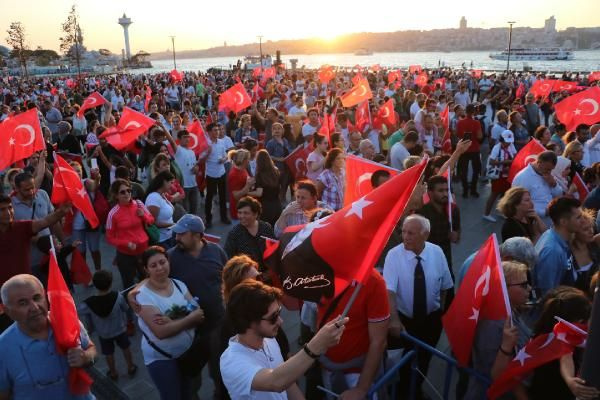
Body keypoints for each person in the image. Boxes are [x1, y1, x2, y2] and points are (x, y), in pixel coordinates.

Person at [220, 280, 348, 399]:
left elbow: (287, 382)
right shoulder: (231, 362)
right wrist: (317, 344)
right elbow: (276, 382)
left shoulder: (268, 340)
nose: (280, 321)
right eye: (273, 317)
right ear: (248, 322)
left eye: (279, 312)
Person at [383, 215, 453, 398]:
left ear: (425, 235)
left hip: (431, 320)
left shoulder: (436, 252)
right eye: (403, 231)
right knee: (403, 361)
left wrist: (440, 314)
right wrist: (395, 320)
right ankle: (402, 392)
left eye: (411, 233)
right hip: (404, 322)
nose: (405, 236)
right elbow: (389, 291)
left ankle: (416, 388)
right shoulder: (394, 255)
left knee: (424, 359)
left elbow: (446, 285)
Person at [0, 274, 97, 399]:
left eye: (37, 298)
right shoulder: (3, 349)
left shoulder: (67, 321)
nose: (34, 307)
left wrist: (86, 357)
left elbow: (91, 348)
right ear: (8, 311)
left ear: (45, 297)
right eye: (23, 303)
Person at [134, 246, 205, 399]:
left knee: (189, 393)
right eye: (153, 265)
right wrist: (189, 317)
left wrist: (173, 320)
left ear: (168, 261)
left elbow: (199, 314)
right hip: (162, 359)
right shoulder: (142, 296)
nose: (160, 268)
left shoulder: (179, 284)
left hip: (188, 353)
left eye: (162, 262)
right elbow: (161, 332)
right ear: (146, 269)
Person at [317, 269, 390, 400]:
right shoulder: (319, 270)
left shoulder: (374, 281)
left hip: (357, 372)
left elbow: (379, 341)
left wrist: (361, 388)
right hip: (327, 366)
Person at [465, 261, 533, 399]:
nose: (530, 288)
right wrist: (506, 347)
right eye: (524, 285)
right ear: (503, 288)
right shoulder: (491, 324)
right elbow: (493, 374)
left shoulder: (511, 310)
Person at [528, 286, 598, 400]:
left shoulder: (546, 336)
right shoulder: (563, 336)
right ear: (580, 321)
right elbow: (566, 356)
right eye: (592, 315)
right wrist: (570, 380)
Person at [79, 270, 137, 381]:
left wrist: (90, 329)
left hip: (103, 334)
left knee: (108, 353)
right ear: (110, 283)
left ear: (95, 285)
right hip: (120, 329)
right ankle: (130, 366)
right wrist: (130, 320)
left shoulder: (88, 303)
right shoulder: (118, 296)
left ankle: (113, 372)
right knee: (126, 348)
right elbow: (125, 308)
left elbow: (85, 315)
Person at [11, 172, 65, 278]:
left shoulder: (42, 194)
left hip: (52, 253)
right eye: (26, 190)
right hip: (31, 260)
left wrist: (62, 242)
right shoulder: (10, 205)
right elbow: (20, 232)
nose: (31, 192)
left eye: (33, 187)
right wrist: (46, 242)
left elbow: (53, 221)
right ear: (16, 189)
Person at [106, 179, 154, 290]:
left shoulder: (139, 204)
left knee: (147, 279)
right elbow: (109, 237)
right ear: (116, 195)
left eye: (129, 190)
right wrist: (126, 243)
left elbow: (151, 220)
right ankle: (131, 305)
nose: (127, 193)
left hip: (143, 250)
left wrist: (144, 216)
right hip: (125, 255)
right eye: (122, 192)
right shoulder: (113, 213)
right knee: (129, 285)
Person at [534, 197, 583, 297]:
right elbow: (547, 294)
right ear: (563, 222)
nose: (582, 221)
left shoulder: (561, 237)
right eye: (578, 217)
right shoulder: (552, 251)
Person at [417, 175, 461, 273]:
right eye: (440, 191)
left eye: (446, 190)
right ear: (430, 193)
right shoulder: (422, 214)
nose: (445, 194)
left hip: (445, 259)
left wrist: (456, 235)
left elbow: (457, 234)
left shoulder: (453, 210)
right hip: (427, 260)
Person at [224, 196, 275, 271]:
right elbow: (228, 259)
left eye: (246, 213)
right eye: (239, 212)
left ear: (255, 214)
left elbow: (274, 251)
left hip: (268, 276)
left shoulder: (266, 228)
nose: (241, 216)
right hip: (246, 277)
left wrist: (270, 272)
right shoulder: (234, 234)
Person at [512, 151, 564, 225]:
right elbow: (518, 204)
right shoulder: (522, 177)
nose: (549, 172)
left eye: (551, 169)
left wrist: (554, 184)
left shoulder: (548, 174)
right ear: (539, 163)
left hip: (550, 221)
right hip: (533, 224)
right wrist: (544, 212)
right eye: (547, 169)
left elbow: (559, 194)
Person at [483, 130, 517, 221]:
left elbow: (515, 156)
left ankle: (500, 210)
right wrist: (505, 162)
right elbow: (492, 161)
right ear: (502, 140)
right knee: (494, 194)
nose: (509, 143)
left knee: (505, 192)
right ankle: (486, 213)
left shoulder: (511, 146)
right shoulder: (496, 148)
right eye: (507, 141)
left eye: (510, 141)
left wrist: (510, 163)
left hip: (507, 173)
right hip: (498, 174)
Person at [164, 129, 199, 214]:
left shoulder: (192, 152)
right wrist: (162, 127)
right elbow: (171, 141)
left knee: (194, 209)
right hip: (183, 186)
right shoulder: (178, 150)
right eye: (184, 137)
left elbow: (194, 167)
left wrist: (196, 169)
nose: (187, 139)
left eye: (188, 137)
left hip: (194, 185)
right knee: (185, 211)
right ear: (179, 139)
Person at [204, 123, 230, 228]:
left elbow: (226, 156)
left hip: (221, 173)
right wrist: (207, 153)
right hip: (211, 174)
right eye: (215, 130)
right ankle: (208, 219)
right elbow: (201, 160)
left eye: (218, 130)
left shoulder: (222, 142)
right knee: (209, 198)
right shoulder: (206, 144)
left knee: (223, 196)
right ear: (209, 132)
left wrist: (223, 159)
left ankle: (224, 217)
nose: (217, 132)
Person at [569, 208, 600, 292]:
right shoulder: (567, 253)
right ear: (574, 233)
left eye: (591, 227)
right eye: (585, 229)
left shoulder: (596, 243)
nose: (591, 231)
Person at [456, 104, 483, 198]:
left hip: (464, 148)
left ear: (465, 111)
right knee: (476, 170)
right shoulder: (476, 123)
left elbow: (458, 136)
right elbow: (479, 136)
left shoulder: (459, 122)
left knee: (464, 170)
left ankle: (465, 190)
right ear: (473, 112)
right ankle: (473, 190)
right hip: (474, 148)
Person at [145, 171, 176, 249]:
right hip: (161, 240)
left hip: (169, 236)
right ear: (164, 182)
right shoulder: (154, 198)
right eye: (171, 183)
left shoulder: (162, 194)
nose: (172, 186)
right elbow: (152, 223)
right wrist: (172, 225)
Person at [254, 150, 283, 227]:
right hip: (277, 204)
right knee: (275, 229)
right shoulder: (276, 170)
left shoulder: (259, 175)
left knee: (264, 231)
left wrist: (246, 191)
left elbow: (259, 193)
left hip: (265, 207)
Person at [265, 122, 293, 200]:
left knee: (284, 187)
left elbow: (289, 151)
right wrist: (278, 159)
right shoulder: (271, 143)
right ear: (272, 131)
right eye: (274, 129)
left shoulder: (285, 141)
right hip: (276, 168)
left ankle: (282, 202)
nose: (277, 131)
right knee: (276, 187)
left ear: (282, 131)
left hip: (286, 168)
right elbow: (267, 156)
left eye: (279, 128)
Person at [227, 149, 255, 221]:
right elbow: (236, 196)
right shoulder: (234, 174)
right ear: (243, 160)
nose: (249, 161)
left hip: (245, 206)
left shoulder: (242, 169)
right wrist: (248, 186)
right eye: (248, 159)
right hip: (238, 210)